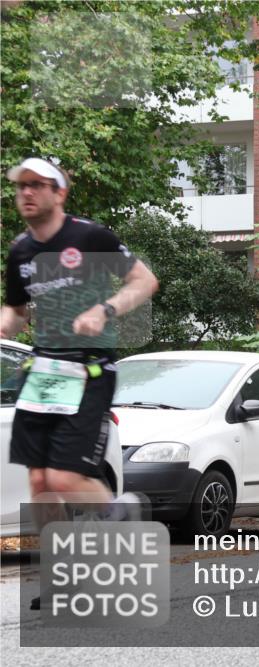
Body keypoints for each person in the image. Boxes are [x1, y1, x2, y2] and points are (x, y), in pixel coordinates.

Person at [1, 158, 159, 609]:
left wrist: (105, 310)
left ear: (60, 193)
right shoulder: (20, 251)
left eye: (37, 185)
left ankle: (118, 512)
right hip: (45, 372)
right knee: (39, 482)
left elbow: (144, 280)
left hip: (89, 369)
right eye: (21, 186)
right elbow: (17, 311)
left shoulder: (89, 237)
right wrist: (4, 324)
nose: (27, 192)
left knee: (64, 476)